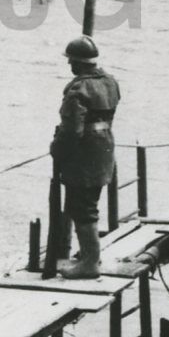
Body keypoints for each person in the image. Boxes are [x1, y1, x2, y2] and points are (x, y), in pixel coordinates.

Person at [51, 35, 121, 279]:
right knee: (90, 203)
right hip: (104, 151)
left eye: (71, 61)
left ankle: (90, 263)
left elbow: (72, 131)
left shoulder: (77, 89)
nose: (69, 65)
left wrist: (56, 149)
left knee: (81, 208)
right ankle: (89, 254)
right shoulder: (111, 82)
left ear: (77, 63)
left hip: (83, 156)